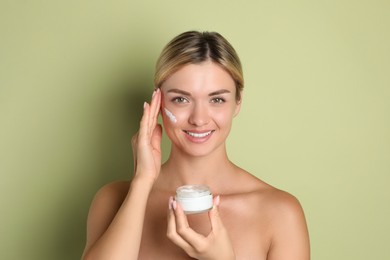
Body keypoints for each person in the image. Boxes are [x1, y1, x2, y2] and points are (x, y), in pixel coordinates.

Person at [82, 31, 310, 260]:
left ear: (237, 102)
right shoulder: (113, 200)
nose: (199, 119)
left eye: (217, 99)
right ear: (158, 102)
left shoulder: (280, 213)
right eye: (181, 99)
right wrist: (142, 182)